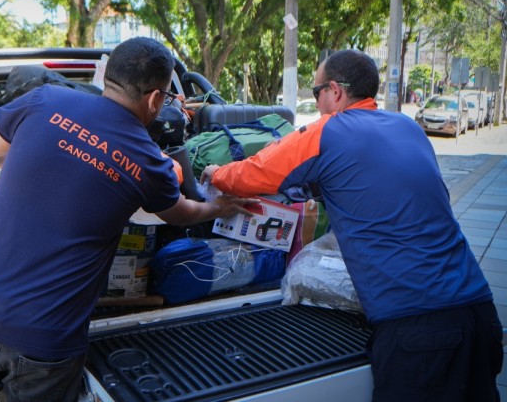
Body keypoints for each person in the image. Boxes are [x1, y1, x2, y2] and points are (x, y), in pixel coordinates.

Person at [0, 37, 254, 402]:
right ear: (154, 99)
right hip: (46, 342)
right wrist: (220, 207)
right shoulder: (150, 163)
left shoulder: (46, 100)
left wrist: (38, 153)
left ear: (107, 75)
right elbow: (182, 213)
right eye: (167, 98)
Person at [202, 49, 502, 402]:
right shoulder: (407, 126)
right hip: (480, 312)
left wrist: (213, 174)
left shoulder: (328, 131)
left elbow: (253, 173)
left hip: (417, 328)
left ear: (335, 91)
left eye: (316, 94)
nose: (316, 104)